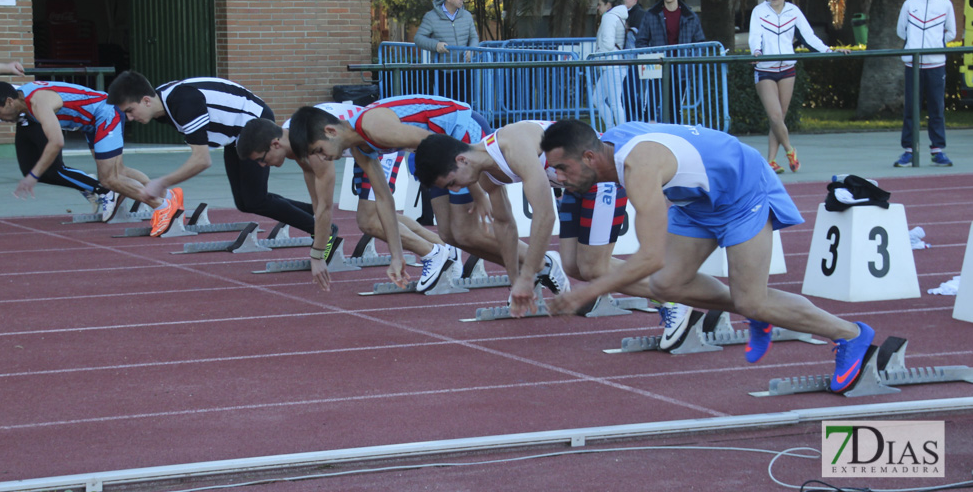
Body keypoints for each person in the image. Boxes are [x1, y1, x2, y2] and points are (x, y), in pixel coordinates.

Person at [540, 120, 876, 394]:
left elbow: (651, 256)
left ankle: (850, 334)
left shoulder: (637, 167)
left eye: (562, 168)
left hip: (742, 193)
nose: (559, 178)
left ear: (588, 157)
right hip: (697, 202)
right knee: (668, 285)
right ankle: (761, 311)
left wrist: (587, 291)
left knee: (750, 299)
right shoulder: (610, 143)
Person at [413, 123, 695, 349]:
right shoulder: (486, 173)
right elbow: (505, 225)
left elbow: (544, 215)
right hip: (572, 187)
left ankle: (674, 296)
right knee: (574, 267)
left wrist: (527, 277)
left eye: (451, 182)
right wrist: (516, 282)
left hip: (600, 179)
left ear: (461, 160)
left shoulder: (514, 144)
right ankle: (668, 288)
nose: (454, 189)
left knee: (594, 267)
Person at [289, 94, 564, 294]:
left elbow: (440, 146)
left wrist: (477, 187)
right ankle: (539, 265)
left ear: (330, 131)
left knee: (466, 231)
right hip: (437, 155)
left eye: (317, 150)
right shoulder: (362, 148)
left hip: (461, 135)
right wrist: (396, 255)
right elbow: (384, 199)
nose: (321, 158)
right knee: (448, 234)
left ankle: (541, 263)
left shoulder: (374, 128)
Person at [235, 109, 460, 293]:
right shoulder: (294, 136)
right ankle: (444, 247)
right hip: (358, 148)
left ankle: (432, 253)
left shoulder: (311, 148)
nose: (263, 167)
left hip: (374, 141)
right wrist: (319, 241)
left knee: (369, 220)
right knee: (372, 216)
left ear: (275, 144)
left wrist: (318, 253)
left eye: (261, 160)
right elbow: (316, 204)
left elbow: (325, 207)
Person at [106, 71, 333, 247]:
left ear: (146, 100)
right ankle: (317, 215)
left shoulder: (182, 103)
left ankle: (322, 230)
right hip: (235, 133)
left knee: (256, 199)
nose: (130, 118)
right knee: (245, 203)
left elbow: (202, 160)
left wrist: (161, 182)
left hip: (254, 124)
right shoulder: (164, 105)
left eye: (130, 110)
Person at [0, 62, 120, 219]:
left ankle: (102, 189)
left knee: (52, 169)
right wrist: (8, 66)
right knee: (29, 171)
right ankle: (88, 184)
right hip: (23, 121)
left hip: (33, 115)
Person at [0, 79, 174, 236]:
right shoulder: (25, 100)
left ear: (10, 101)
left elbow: (56, 142)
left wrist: (33, 175)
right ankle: (169, 197)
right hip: (91, 122)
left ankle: (165, 209)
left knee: (108, 179)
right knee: (119, 171)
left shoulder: (37, 103)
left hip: (104, 113)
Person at [748, 0, 849, 174]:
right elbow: (755, 36)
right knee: (775, 115)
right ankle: (790, 150)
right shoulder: (759, 11)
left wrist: (829, 51)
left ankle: (771, 162)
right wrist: (757, 52)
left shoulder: (794, 11)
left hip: (787, 70)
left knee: (780, 118)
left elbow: (808, 37)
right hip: (765, 70)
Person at [895, 0, 957, 167]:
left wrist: (936, 45)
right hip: (913, 65)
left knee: (936, 108)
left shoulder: (945, 4)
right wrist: (913, 45)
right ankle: (909, 151)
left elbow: (951, 32)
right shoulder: (909, 4)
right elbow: (901, 31)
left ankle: (937, 150)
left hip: (936, 65)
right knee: (911, 109)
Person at [635, 0, 706, 124]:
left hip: (680, 69)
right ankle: (650, 138)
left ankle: (673, 139)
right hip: (656, 67)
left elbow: (700, 43)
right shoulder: (651, 15)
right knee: (651, 107)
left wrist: (689, 60)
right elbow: (641, 41)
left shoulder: (690, 16)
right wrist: (650, 55)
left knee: (675, 108)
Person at [413, 0, 481, 104]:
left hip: (464, 70)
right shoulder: (431, 17)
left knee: (465, 106)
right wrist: (435, 45)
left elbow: (474, 37)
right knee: (445, 108)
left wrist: (472, 50)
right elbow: (418, 38)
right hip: (442, 71)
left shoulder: (467, 16)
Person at [594, 0, 628, 129]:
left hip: (611, 64)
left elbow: (607, 43)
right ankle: (612, 128)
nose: (598, 8)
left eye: (600, 4)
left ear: (608, 5)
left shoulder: (608, 17)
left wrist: (597, 55)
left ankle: (621, 131)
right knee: (597, 99)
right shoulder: (618, 17)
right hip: (614, 64)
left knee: (614, 103)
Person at [621, 0, 646, 121]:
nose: (624, 0)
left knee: (629, 93)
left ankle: (639, 116)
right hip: (627, 61)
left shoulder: (640, 14)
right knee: (626, 94)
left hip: (635, 61)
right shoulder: (623, 14)